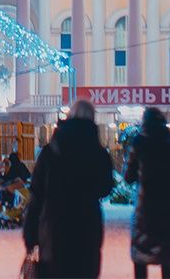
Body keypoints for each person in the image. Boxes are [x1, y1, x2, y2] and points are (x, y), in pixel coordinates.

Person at [23, 99, 115, 279]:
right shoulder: (99, 153)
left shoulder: (50, 151)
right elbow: (105, 188)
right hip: (86, 228)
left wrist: (30, 236)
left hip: (54, 228)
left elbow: (36, 195)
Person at [125, 107, 170, 279]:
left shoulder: (139, 141)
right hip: (169, 207)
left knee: (141, 254)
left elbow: (128, 176)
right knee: (167, 255)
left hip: (146, 208)